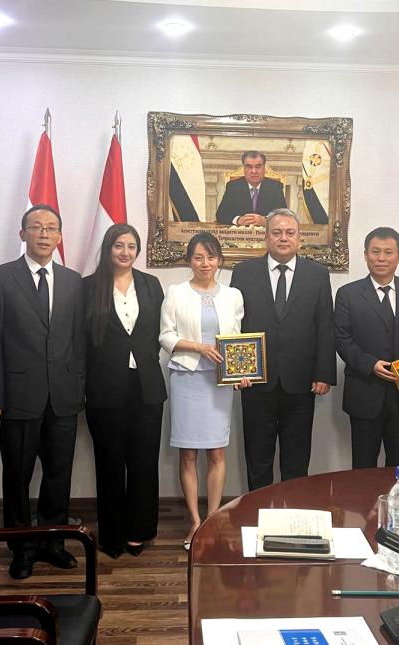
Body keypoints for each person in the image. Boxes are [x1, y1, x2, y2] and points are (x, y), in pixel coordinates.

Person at [0, 204, 85, 579]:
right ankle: (21, 548)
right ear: (22, 233)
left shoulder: (73, 280)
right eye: (36, 227)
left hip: (63, 395)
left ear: (59, 236)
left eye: (51, 228)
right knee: (17, 475)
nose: (44, 233)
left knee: (59, 473)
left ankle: (53, 542)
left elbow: (78, 340)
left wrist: (79, 385)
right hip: (18, 395)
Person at [230, 208, 336, 490]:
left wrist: (324, 373)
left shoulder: (317, 274)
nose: (283, 238)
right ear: (266, 237)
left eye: (290, 232)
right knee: (258, 455)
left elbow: (325, 325)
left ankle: (294, 508)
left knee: (296, 457)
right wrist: (236, 371)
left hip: (301, 380)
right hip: (255, 380)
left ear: (299, 238)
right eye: (276, 232)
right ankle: (257, 508)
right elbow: (234, 324)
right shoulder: (244, 272)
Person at [82, 224, 167, 559]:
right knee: (110, 462)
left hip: (146, 386)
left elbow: (158, 331)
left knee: (144, 461)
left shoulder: (151, 284)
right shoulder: (89, 287)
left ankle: (139, 531)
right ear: (108, 248)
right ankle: (112, 534)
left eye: (131, 246)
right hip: (105, 387)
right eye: (119, 245)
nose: (125, 252)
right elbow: (81, 340)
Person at [159, 232, 247, 548]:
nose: (205, 263)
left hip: (219, 383)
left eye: (210, 257)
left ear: (219, 260)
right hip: (187, 377)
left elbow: (236, 340)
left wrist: (242, 373)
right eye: (198, 257)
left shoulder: (233, 295)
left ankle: (212, 520)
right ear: (189, 260)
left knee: (217, 451)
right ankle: (195, 522)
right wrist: (198, 347)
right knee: (187, 453)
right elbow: (165, 337)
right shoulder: (176, 293)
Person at [335, 227, 399, 469]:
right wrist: (371, 364)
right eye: (375, 252)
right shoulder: (348, 294)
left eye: (388, 252)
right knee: (363, 467)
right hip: (365, 392)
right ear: (365, 255)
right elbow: (342, 340)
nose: (381, 258)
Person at [215, 151, 287, 226]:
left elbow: (284, 216)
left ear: (264, 168)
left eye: (258, 167)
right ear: (244, 169)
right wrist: (238, 220)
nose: (254, 171)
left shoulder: (275, 187)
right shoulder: (233, 186)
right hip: (241, 232)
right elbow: (221, 214)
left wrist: (266, 220)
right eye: (249, 167)